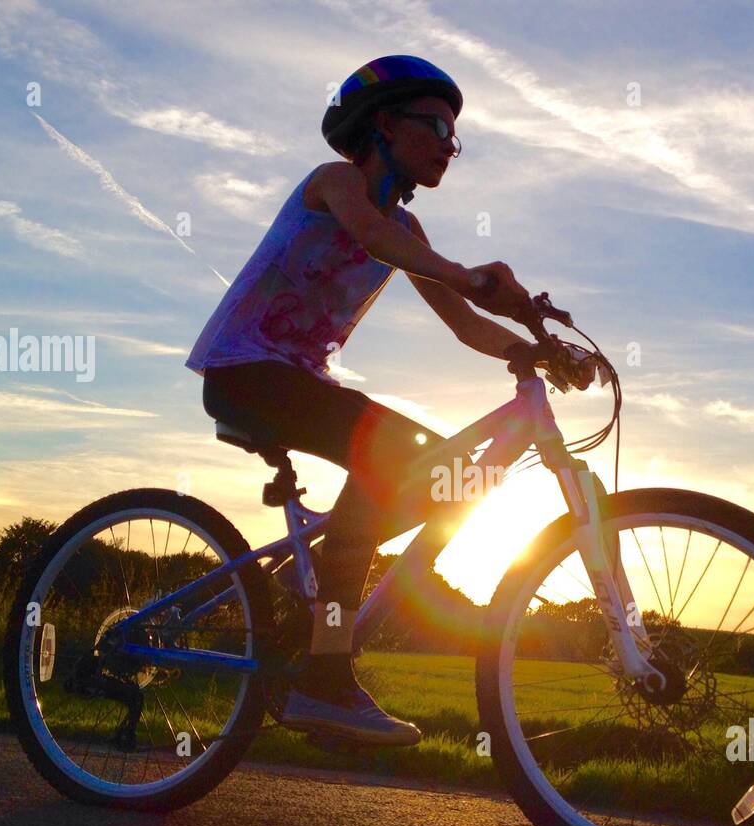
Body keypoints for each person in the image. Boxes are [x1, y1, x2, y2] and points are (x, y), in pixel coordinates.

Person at [186, 55, 538, 746]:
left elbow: (466, 325)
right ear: (382, 122)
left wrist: (532, 347)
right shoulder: (337, 183)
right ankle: (325, 676)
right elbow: (369, 235)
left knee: (450, 477)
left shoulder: (409, 232)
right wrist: (470, 275)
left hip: (302, 381)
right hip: (245, 368)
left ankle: (305, 581)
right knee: (391, 450)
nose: (448, 143)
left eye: (454, 134)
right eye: (435, 124)